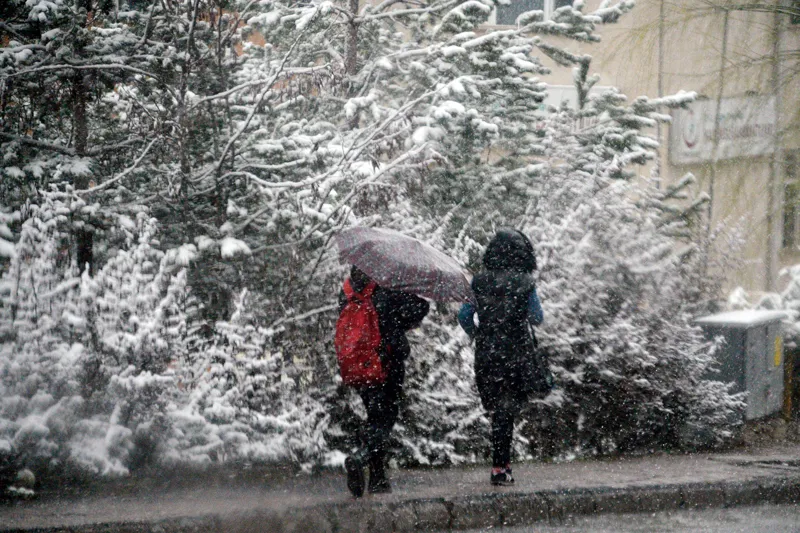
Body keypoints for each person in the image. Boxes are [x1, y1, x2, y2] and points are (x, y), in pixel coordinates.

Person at [457, 229, 544, 486]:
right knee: (508, 409)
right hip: (516, 352)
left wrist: (478, 332)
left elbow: (464, 316)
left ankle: (501, 465)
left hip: (487, 351)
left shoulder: (478, 281)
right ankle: (500, 467)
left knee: (498, 409)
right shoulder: (526, 282)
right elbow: (537, 317)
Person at [339, 266, 429, 497]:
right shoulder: (387, 290)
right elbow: (421, 308)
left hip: (358, 365)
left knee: (374, 417)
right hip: (385, 363)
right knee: (384, 418)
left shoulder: (347, 292)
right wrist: (405, 287)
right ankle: (362, 457)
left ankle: (378, 479)